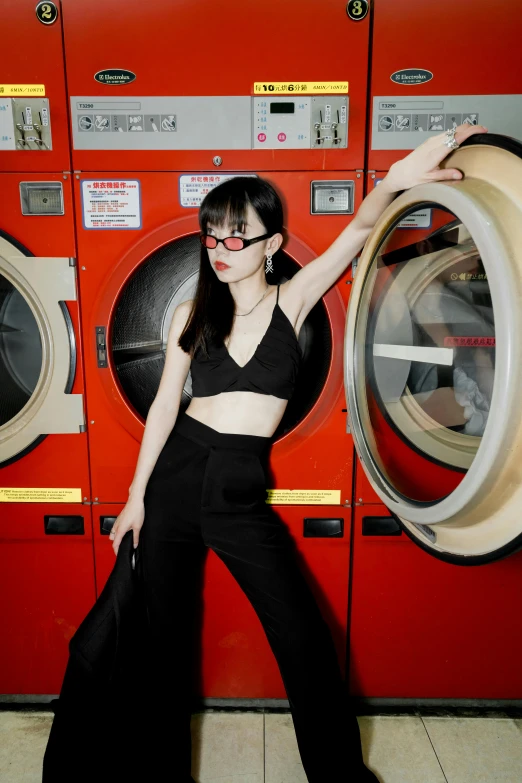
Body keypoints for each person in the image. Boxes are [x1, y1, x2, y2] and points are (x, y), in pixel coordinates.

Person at [108, 122, 487, 782]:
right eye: (211, 233)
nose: (221, 248)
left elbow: (361, 232)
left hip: (236, 488)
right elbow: (165, 404)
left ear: (272, 245)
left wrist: (398, 178)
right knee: (165, 648)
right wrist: (136, 495)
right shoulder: (190, 314)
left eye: (237, 235)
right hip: (174, 480)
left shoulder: (296, 296)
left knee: (304, 639)